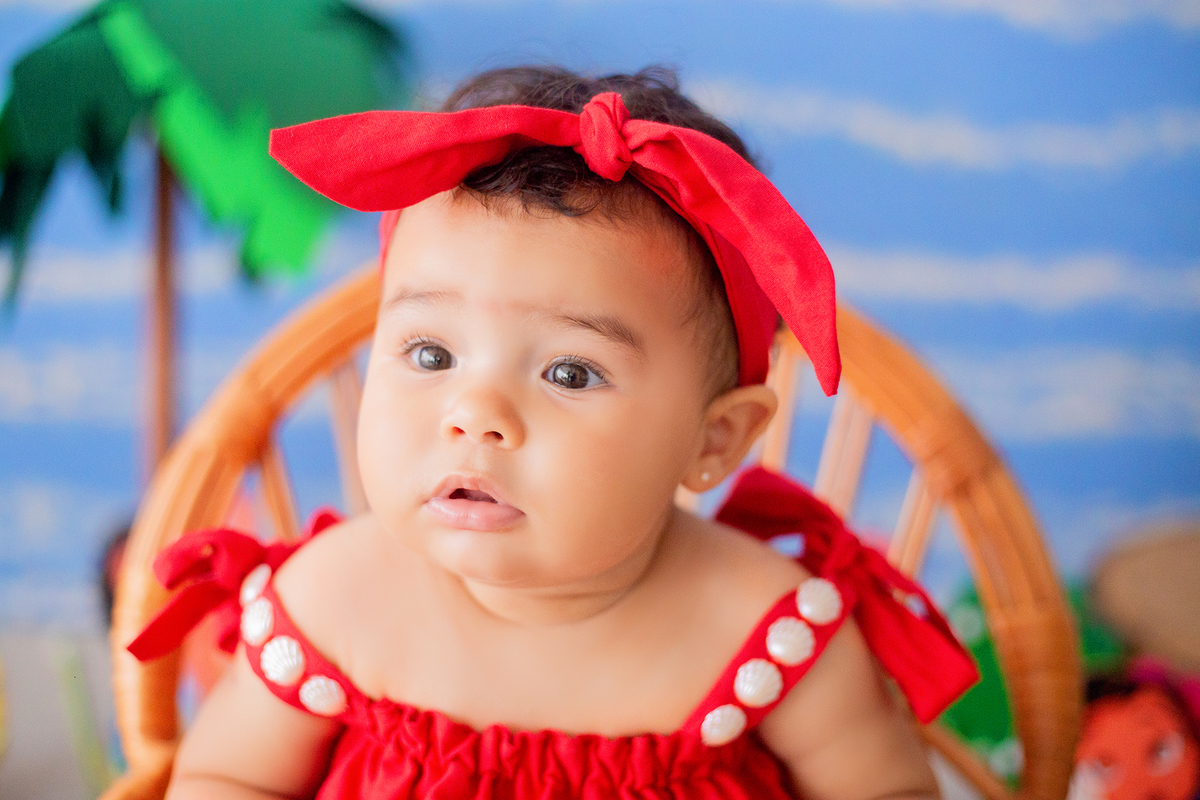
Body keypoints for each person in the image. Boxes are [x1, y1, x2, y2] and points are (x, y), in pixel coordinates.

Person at [127, 66, 978, 799]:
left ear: (714, 442)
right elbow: (225, 776)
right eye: (430, 352)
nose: (476, 414)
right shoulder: (337, 602)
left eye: (570, 373)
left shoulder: (764, 627)